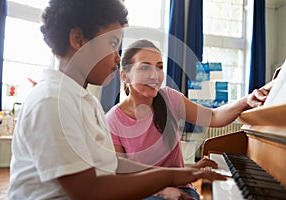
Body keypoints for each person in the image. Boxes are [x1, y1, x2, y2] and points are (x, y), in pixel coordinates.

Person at [8, 1, 227, 200]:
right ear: (78, 39)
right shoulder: (51, 101)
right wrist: (168, 177)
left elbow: (111, 164)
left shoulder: (86, 101)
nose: (118, 57)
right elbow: (89, 190)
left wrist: (179, 173)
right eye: (112, 44)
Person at [105, 39, 269, 199]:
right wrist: (161, 190)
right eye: (145, 67)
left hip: (181, 186)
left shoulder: (170, 98)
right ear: (125, 76)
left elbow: (213, 116)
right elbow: (121, 172)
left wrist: (246, 100)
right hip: (143, 191)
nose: (155, 75)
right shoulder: (113, 119)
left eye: (159, 67)